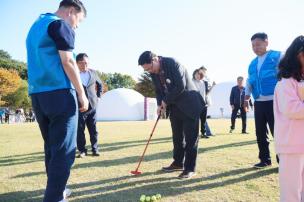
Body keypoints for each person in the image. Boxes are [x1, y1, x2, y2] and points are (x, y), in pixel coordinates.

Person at [26, 1, 88, 201]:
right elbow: (68, 61)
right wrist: (81, 92)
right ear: (71, 11)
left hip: (38, 95)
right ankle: (54, 197)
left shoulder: (36, 25)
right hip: (60, 93)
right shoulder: (60, 24)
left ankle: (57, 190)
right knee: (64, 151)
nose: (76, 26)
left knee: (53, 147)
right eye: (78, 21)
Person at [138, 51, 204, 179]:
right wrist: (159, 104)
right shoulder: (153, 73)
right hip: (174, 107)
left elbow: (180, 86)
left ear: (155, 59)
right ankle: (178, 163)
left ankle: (190, 168)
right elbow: (158, 90)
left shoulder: (172, 63)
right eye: (147, 70)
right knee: (177, 137)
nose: (150, 71)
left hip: (190, 104)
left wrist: (165, 101)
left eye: (150, 67)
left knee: (191, 139)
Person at [244, 32, 282, 168]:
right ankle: (265, 159)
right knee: (260, 132)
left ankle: (282, 161)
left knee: (277, 132)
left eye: (258, 44)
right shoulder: (252, 63)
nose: (255, 47)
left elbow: (287, 74)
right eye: (253, 45)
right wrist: (246, 95)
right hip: (259, 102)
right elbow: (250, 80)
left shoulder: (278, 56)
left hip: (275, 100)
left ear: (266, 42)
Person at [274, 35, 304, 202]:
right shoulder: (286, 82)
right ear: (297, 54)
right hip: (291, 145)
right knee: (291, 192)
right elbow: (291, 109)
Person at [76, 53, 103, 158]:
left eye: (86, 63)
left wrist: (98, 97)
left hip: (92, 106)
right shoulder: (74, 74)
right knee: (80, 130)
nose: (84, 65)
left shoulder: (93, 73)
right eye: (82, 63)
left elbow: (100, 84)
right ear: (77, 63)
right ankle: (82, 151)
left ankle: (95, 149)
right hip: (80, 107)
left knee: (93, 129)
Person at [192, 69, 208, 139]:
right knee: (195, 120)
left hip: (203, 104)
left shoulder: (203, 83)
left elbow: (203, 93)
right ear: (194, 74)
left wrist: (204, 103)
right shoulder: (191, 82)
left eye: (199, 74)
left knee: (203, 120)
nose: (198, 76)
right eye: (196, 74)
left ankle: (203, 133)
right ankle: (195, 134)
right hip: (194, 104)